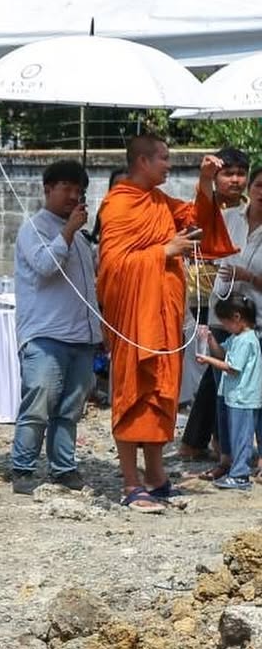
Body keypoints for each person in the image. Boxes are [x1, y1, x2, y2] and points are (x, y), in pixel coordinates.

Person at [96, 133, 234, 511]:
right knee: (133, 394)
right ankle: (130, 482)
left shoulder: (159, 201)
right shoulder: (118, 205)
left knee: (162, 395)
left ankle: (155, 477)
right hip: (134, 319)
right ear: (142, 161)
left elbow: (199, 220)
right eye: (164, 158)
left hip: (164, 317)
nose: (169, 165)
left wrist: (205, 181)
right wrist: (164, 250)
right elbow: (112, 267)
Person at [10, 159, 102, 495]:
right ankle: (22, 468)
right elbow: (46, 266)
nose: (73, 196)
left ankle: (63, 467)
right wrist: (66, 232)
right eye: (67, 188)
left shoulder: (80, 238)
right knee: (38, 404)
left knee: (71, 409)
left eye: (78, 190)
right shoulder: (32, 228)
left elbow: (88, 287)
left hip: (81, 336)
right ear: (48, 189)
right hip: (46, 336)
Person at [179, 146, 249, 462]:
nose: (236, 180)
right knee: (219, 368)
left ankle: (200, 441)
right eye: (228, 173)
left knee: (220, 369)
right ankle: (218, 443)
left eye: (240, 173)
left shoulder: (251, 211)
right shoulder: (204, 209)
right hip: (205, 296)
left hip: (242, 295)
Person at [195, 294, 262, 490]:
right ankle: (237, 470)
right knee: (236, 435)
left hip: (244, 398)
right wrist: (210, 341)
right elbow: (223, 354)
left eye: (225, 322)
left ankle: (240, 474)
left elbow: (232, 367)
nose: (224, 327)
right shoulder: (237, 337)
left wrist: (208, 361)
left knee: (242, 437)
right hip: (236, 397)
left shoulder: (246, 340)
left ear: (237, 317)